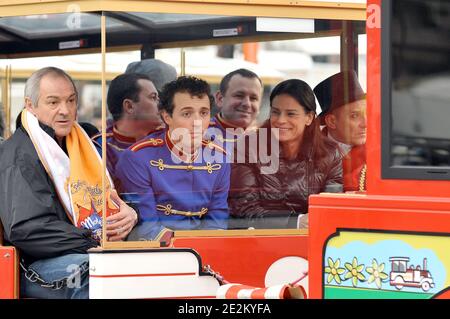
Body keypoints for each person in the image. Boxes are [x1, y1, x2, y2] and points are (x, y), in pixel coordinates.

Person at [0, 67, 138, 299]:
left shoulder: (86, 144)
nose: (65, 111)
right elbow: (28, 229)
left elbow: (116, 200)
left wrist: (131, 214)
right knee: (99, 274)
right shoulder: (19, 154)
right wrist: (92, 239)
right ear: (30, 105)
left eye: (71, 101)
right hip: (34, 265)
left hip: (89, 245)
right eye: (53, 103)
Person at [116, 76, 230, 241]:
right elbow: (146, 225)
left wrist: (208, 247)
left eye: (204, 113)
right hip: (154, 251)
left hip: (203, 249)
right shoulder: (137, 158)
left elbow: (217, 219)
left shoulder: (219, 157)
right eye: (187, 113)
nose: (197, 122)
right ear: (167, 117)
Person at [229, 79, 343, 229]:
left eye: (291, 114)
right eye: (275, 112)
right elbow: (245, 210)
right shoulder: (248, 148)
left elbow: (331, 208)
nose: (281, 120)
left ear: (309, 118)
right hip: (259, 241)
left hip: (312, 239)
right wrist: (297, 222)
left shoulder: (330, 153)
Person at [92, 73, 165, 191]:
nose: (160, 105)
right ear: (129, 106)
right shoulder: (99, 145)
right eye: (153, 97)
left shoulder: (167, 138)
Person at [313, 70, 367, 192]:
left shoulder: (378, 155)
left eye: (366, 113)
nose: (365, 124)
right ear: (331, 121)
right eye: (354, 116)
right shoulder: (308, 153)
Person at [208, 68, 263, 148]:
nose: (247, 104)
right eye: (239, 96)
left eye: (253, 98)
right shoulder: (197, 136)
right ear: (220, 99)